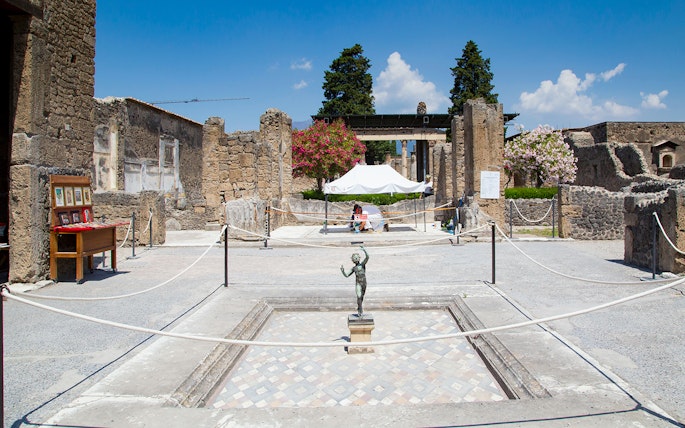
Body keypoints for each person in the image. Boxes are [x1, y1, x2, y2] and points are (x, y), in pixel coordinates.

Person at [340, 246, 369, 317]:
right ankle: (360, 310)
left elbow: (367, 257)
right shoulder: (354, 268)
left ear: (359, 258)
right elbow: (347, 275)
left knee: (361, 297)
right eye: (354, 257)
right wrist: (343, 271)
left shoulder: (362, 265)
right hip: (358, 283)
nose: (355, 258)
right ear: (352, 260)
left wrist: (364, 250)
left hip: (364, 283)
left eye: (356, 257)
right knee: (359, 296)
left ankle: (359, 307)